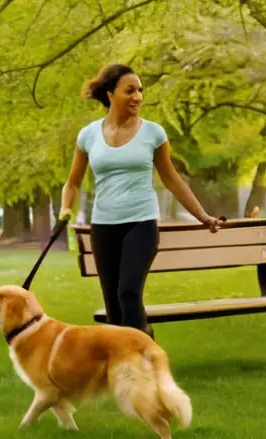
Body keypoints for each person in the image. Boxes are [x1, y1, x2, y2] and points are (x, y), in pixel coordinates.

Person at [59, 63, 221, 338]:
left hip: (141, 223)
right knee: (113, 304)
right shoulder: (88, 135)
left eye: (140, 91)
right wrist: (65, 207)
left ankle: (143, 360)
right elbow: (73, 182)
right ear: (110, 93)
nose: (138, 97)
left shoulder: (153, 133)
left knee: (129, 293)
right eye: (130, 90)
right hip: (104, 225)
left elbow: (172, 179)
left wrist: (202, 216)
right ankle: (125, 365)